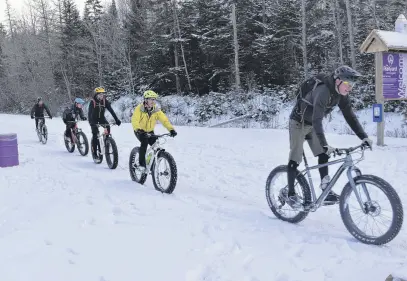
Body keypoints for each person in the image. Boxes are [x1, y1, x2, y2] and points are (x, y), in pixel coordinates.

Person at [286, 65, 373, 208]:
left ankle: (326, 191)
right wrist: (325, 143)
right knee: (295, 158)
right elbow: (317, 119)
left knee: (323, 154)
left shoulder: (341, 95)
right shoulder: (323, 91)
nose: (349, 88)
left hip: (313, 125)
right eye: (347, 84)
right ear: (337, 80)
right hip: (298, 123)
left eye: (352, 85)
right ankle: (291, 194)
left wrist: (363, 136)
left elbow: (350, 117)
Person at [131, 90, 177, 173]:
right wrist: (138, 129)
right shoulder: (139, 109)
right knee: (144, 142)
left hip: (150, 131)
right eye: (151, 99)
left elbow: (164, 120)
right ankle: (141, 164)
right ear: (146, 100)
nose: (153, 101)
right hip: (140, 131)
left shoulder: (156, 110)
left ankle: (152, 163)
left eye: (154, 99)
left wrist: (171, 129)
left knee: (156, 146)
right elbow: (135, 120)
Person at [88, 87, 121, 158]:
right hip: (93, 120)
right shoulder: (92, 102)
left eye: (103, 94)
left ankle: (107, 142)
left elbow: (111, 111)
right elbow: (89, 114)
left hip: (102, 118)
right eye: (100, 94)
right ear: (96, 95)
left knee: (108, 126)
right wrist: (91, 123)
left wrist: (116, 119)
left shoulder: (105, 101)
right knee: (95, 134)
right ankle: (95, 153)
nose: (102, 96)